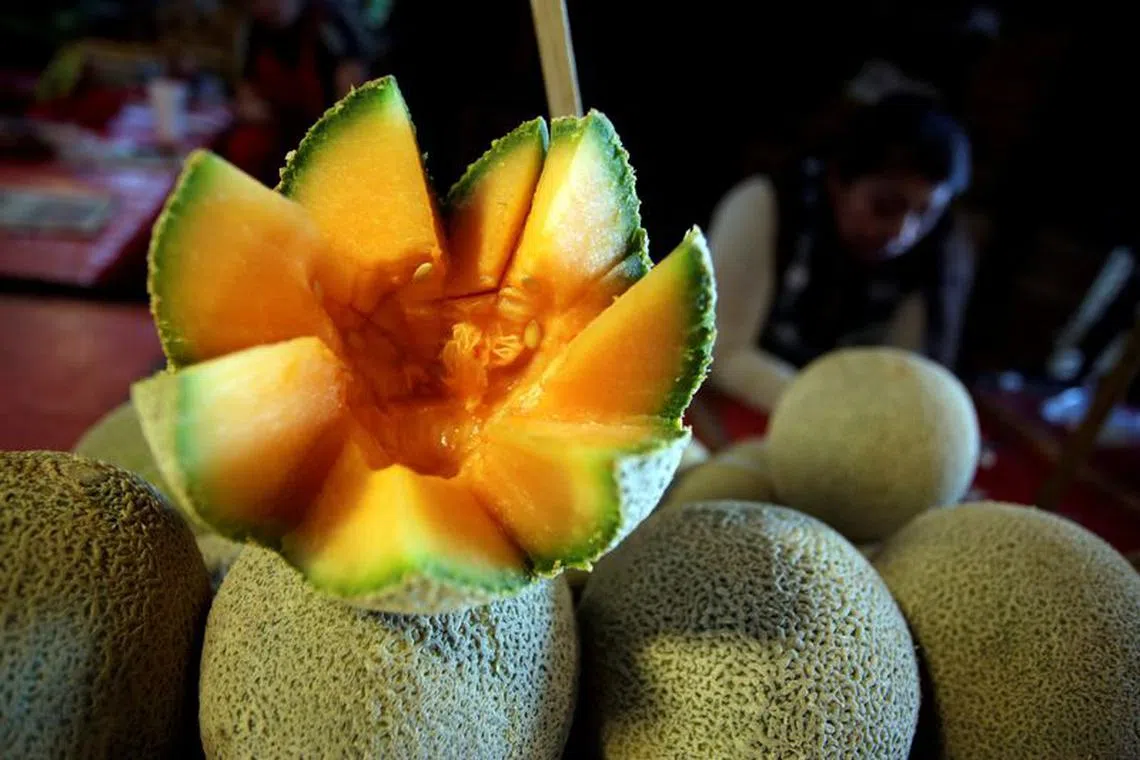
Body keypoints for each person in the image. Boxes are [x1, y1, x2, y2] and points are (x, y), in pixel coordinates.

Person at [707, 92, 975, 411]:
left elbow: (904, 387)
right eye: (885, 206)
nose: (903, 233)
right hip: (734, 408)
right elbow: (722, 351)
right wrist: (836, 417)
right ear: (838, 180)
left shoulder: (935, 257)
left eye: (926, 215)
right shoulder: (766, 205)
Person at [223, 0, 373, 182]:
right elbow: (246, 88)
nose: (269, 5)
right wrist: (249, 106)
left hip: (327, 139)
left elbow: (354, 102)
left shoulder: (328, 24)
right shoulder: (253, 32)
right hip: (278, 134)